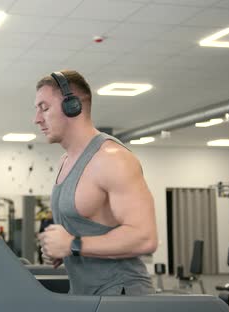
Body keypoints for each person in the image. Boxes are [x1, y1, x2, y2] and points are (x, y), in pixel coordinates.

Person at [34, 70, 158, 296]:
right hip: (84, 294)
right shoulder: (65, 161)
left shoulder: (112, 159)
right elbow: (84, 233)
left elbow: (145, 237)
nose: (37, 119)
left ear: (73, 106)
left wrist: (73, 244)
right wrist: (60, 248)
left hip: (121, 295)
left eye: (44, 108)